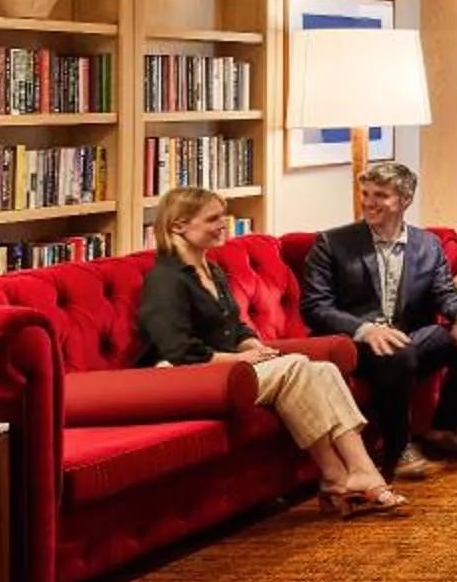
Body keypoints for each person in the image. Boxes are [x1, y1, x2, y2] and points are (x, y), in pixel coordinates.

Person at [137, 186, 405, 516]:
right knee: (295, 367)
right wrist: (238, 359)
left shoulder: (211, 270)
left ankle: (343, 476)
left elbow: (234, 327)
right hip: (180, 377)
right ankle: (348, 475)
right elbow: (176, 349)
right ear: (178, 226)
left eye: (224, 216)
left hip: (225, 369)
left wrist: (251, 344)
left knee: (323, 369)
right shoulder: (164, 279)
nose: (223, 224)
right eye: (213, 219)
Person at [299, 162, 457, 483]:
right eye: (366, 194)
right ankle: (398, 450)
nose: (369, 202)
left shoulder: (427, 245)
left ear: (404, 200)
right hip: (353, 343)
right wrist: (366, 329)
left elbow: (444, 293)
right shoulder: (332, 244)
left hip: (408, 337)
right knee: (397, 350)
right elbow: (315, 307)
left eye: (381, 195)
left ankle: (444, 429)